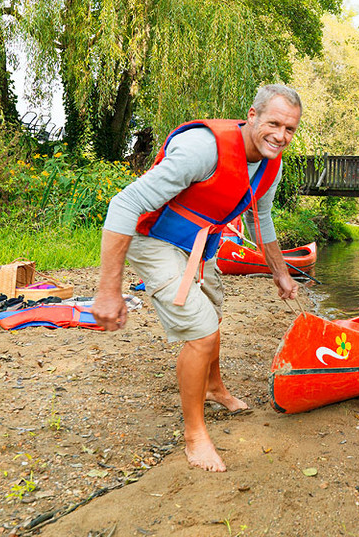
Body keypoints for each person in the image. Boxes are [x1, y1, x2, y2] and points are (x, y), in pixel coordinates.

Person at [91, 84, 302, 473]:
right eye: (274, 123)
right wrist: (108, 291)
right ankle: (195, 436)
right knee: (202, 333)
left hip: (199, 242)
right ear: (252, 116)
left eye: (290, 129)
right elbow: (123, 204)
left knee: (213, 315)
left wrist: (282, 274)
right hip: (150, 238)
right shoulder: (203, 148)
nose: (281, 136)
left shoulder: (274, 162)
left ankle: (213, 386)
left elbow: (263, 220)